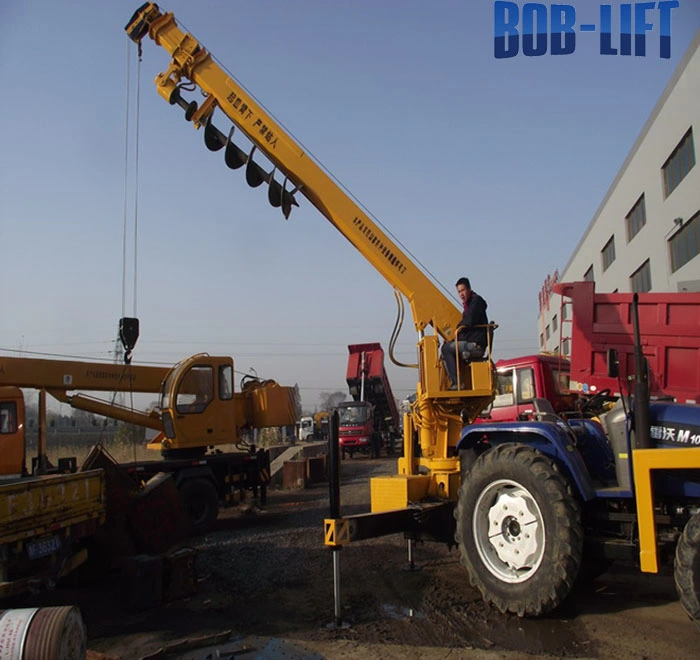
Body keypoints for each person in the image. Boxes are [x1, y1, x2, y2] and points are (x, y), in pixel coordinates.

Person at [441, 277, 489, 389]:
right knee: (446, 349)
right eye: (459, 292)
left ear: (469, 289)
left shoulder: (476, 302)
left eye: (463, 290)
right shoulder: (469, 306)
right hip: (472, 342)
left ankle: (456, 383)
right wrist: (452, 340)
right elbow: (465, 327)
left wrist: (458, 330)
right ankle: (454, 381)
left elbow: (468, 321)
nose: (461, 294)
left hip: (475, 345)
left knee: (446, 349)